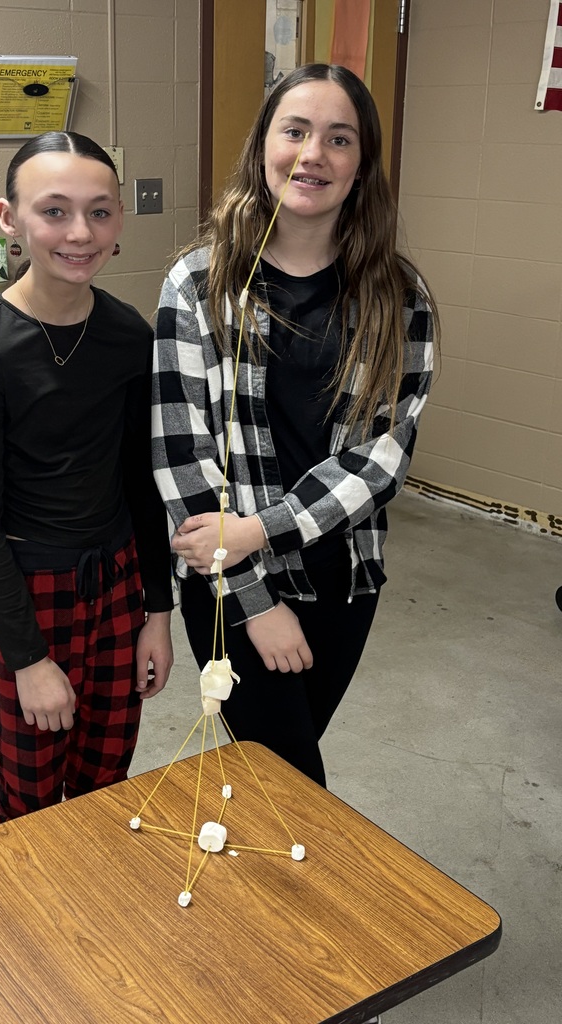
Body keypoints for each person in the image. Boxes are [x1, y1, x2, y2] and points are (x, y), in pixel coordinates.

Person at [152, 64, 438, 791]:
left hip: (344, 579)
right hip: (228, 582)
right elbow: (182, 459)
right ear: (263, 147)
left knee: (276, 772)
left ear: (362, 166)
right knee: (289, 782)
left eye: (339, 139)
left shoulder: (398, 296)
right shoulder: (200, 282)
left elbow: (382, 458)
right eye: (296, 131)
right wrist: (255, 601)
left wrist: (261, 528)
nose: (314, 154)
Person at [0, 131, 174, 823]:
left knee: (107, 779)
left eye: (99, 212)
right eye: (54, 211)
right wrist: (28, 659)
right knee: (33, 795)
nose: (80, 233)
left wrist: (158, 615)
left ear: (118, 221)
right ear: (10, 219)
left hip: (117, 582)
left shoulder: (129, 334)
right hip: (30, 594)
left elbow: (143, 485)